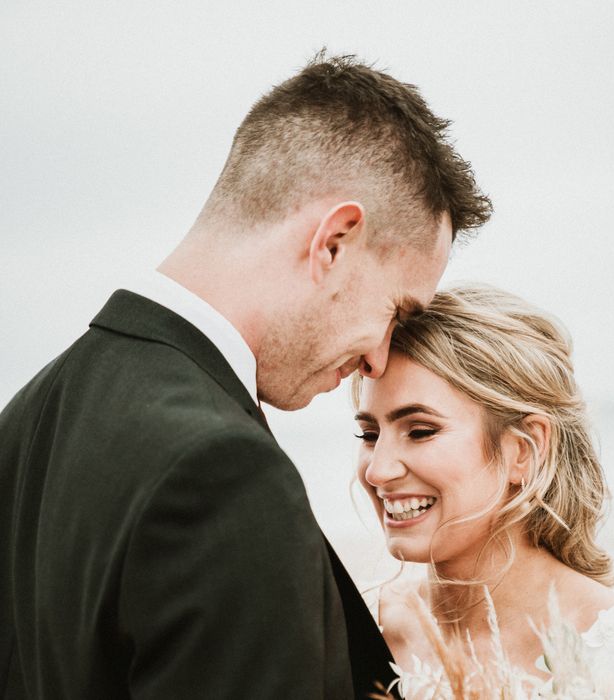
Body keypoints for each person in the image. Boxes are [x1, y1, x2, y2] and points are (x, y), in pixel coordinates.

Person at [0, 55, 492, 699]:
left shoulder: (26, 418)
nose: (378, 358)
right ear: (334, 242)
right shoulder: (220, 471)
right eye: (396, 310)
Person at [353, 284, 614, 699]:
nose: (379, 470)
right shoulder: (360, 630)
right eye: (368, 433)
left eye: (420, 431)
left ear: (522, 450)